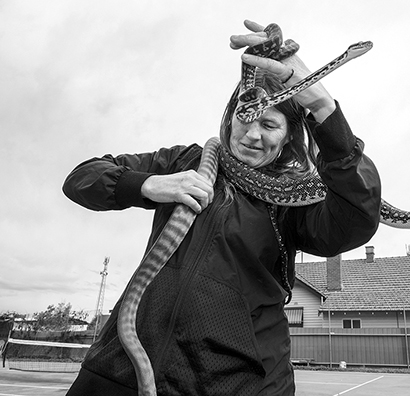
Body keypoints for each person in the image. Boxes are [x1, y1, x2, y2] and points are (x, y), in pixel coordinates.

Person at [63, 20, 381, 396]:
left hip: (234, 385)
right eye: (244, 118)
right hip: (118, 374)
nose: (252, 134)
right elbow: (81, 179)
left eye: (270, 124)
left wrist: (322, 105)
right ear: (230, 115)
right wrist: (150, 184)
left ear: (289, 138)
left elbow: (354, 220)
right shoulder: (188, 161)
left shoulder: (293, 198)